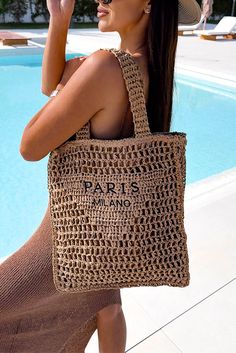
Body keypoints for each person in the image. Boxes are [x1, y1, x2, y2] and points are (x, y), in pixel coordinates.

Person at [0, 0, 201, 352]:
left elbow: (29, 146)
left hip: (61, 251)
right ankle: (106, 302)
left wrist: (71, 88)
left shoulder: (106, 66)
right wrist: (59, 21)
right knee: (104, 304)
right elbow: (51, 85)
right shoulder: (150, 70)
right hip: (98, 251)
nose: (100, 0)